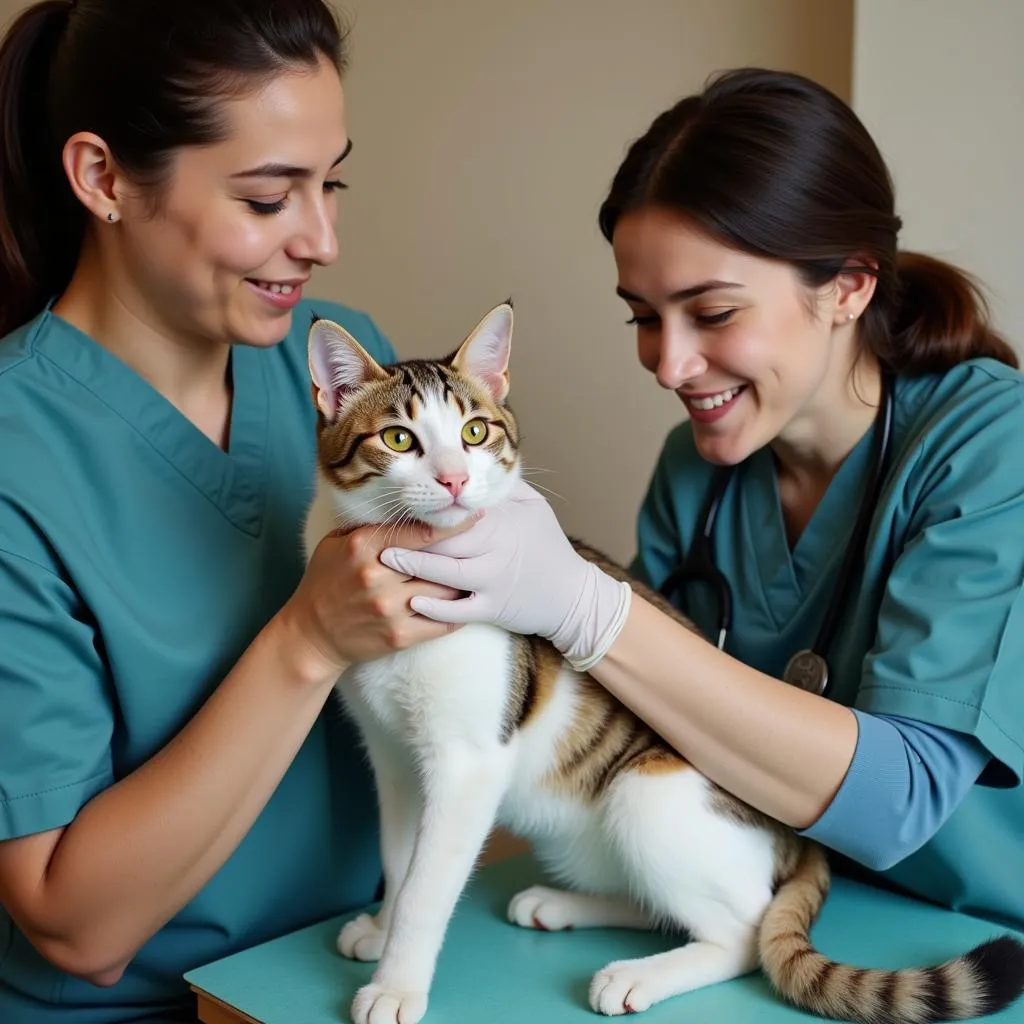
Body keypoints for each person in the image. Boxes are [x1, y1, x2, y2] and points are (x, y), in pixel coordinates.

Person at [383, 68, 1024, 934]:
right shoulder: (697, 469)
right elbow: (650, 729)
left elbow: (896, 802)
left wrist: (588, 607)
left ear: (850, 286)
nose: (669, 364)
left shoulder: (989, 445)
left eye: (712, 312)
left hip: (981, 926)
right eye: (642, 316)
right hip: (780, 898)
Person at [0, 2, 469, 1021]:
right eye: (269, 197)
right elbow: (71, 923)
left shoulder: (341, 360)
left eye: (331, 181)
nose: (324, 240)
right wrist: (306, 638)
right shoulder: (16, 454)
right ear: (103, 179)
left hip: (355, 973)